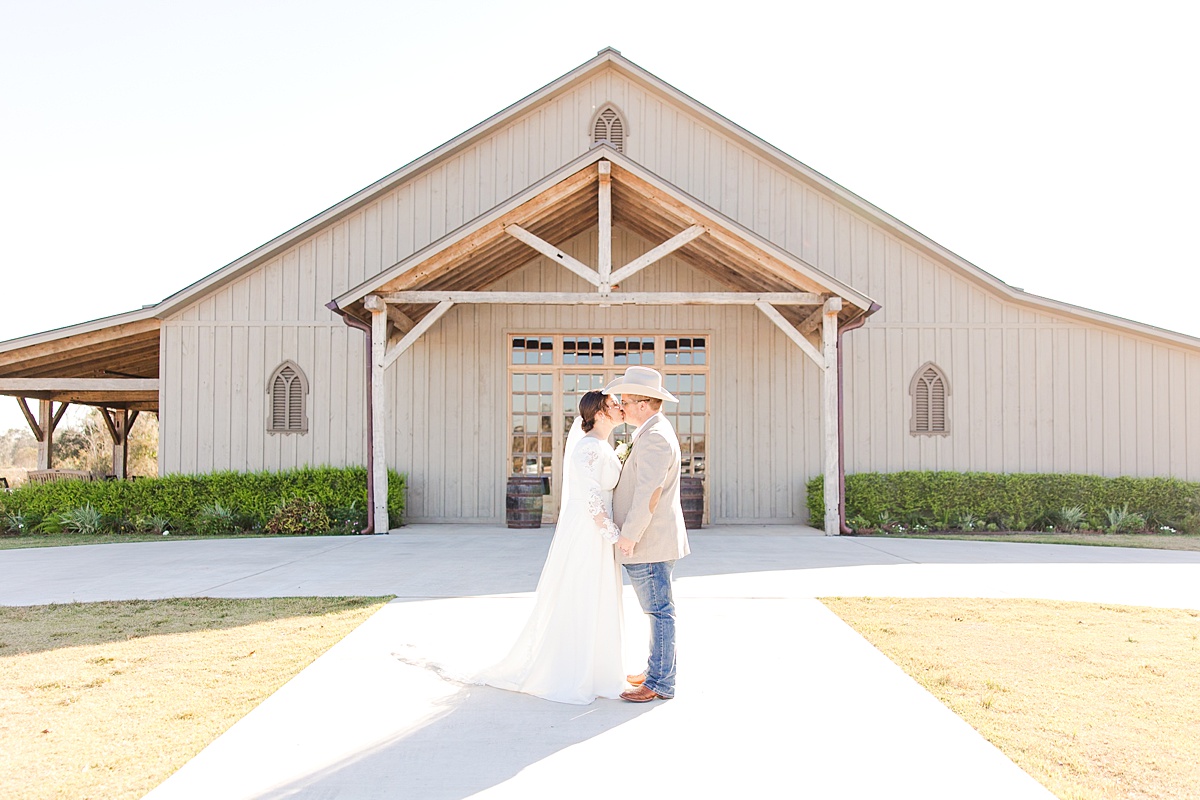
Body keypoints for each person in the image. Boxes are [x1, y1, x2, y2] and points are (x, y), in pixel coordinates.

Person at [476, 390, 627, 704]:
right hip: (589, 532)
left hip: (599, 530)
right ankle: (574, 670)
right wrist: (612, 535)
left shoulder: (603, 446)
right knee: (584, 593)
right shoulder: (588, 448)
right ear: (599, 412)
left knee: (599, 595)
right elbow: (589, 496)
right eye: (615, 405)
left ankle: (600, 668)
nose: (621, 408)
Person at [602, 366, 691, 702]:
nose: (622, 406)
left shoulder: (655, 437)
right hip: (649, 540)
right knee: (658, 609)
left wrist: (630, 534)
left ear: (643, 404)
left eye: (626, 400)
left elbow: (649, 494)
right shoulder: (652, 431)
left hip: (649, 542)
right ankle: (658, 668)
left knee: (659, 612)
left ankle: (660, 682)